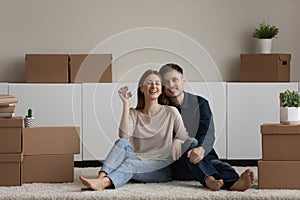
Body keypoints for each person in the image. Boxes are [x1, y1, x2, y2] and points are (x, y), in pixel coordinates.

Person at [79, 69, 193, 191]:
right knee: (121, 143)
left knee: (131, 165)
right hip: (137, 160)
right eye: (149, 82)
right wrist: (126, 105)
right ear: (141, 88)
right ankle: (100, 178)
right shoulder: (134, 113)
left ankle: (105, 183)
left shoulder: (171, 112)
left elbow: (184, 136)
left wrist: (177, 140)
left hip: (161, 167)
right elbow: (124, 136)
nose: (154, 86)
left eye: (157, 83)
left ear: (161, 90)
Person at [159, 63, 255, 191]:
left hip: (203, 155)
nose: (171, 85)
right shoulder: (161, 107)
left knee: (220, 165)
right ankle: (208, 179)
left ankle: (234, 184)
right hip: (178, 162)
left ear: (183, 80)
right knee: (190, 143)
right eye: (166, 82)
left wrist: (202, 149)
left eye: (175, 80)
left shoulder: (200, 103)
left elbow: (208, 131)